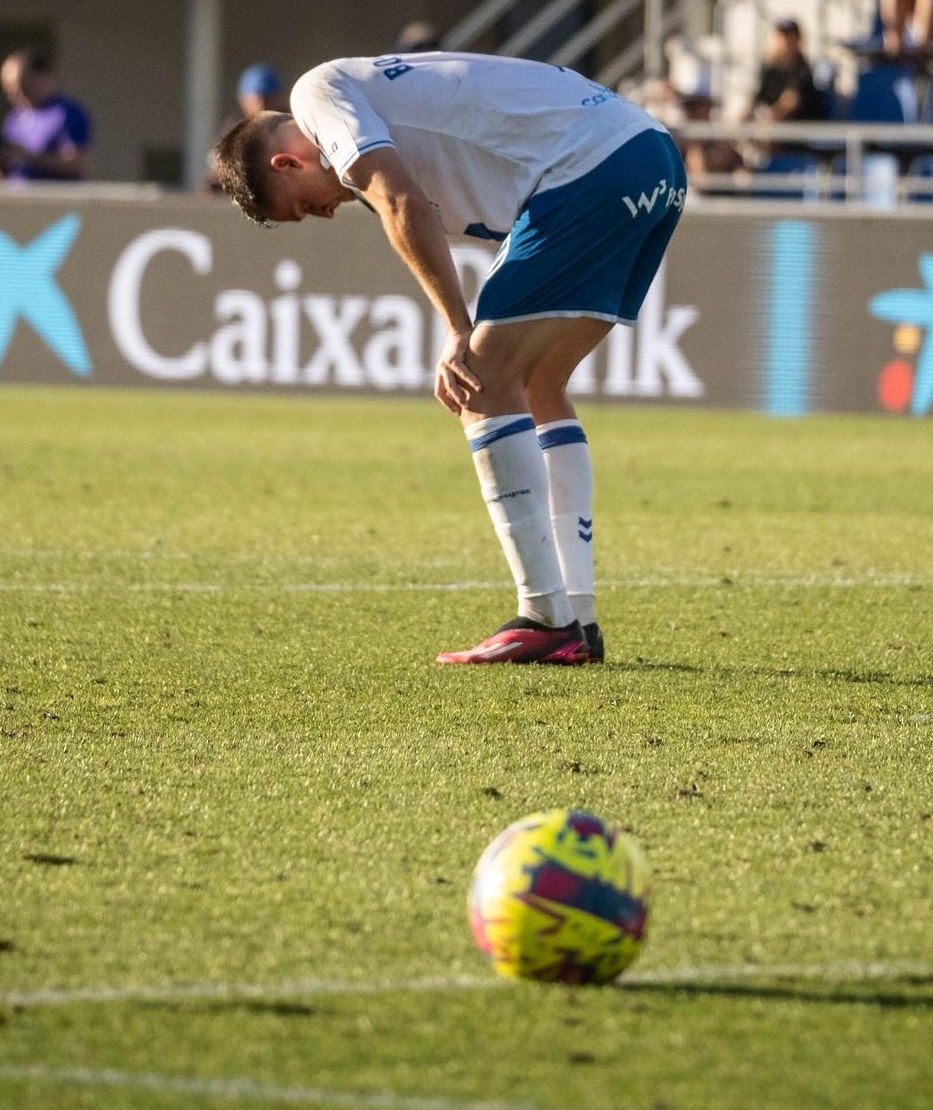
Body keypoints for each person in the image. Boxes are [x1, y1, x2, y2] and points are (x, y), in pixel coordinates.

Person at [209, 53, 685, 667]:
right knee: (538, 384)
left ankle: (545, 616)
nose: (325, 213)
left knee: (481, 383)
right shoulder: (376, 102)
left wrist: (458, 329)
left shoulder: (315, 93)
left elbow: (401, 201)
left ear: (288, 161)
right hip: (654, 158)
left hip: (589, 168)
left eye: (304, 205)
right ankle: (579, 620)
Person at [0, 50, 91, 183]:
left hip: (53, 200)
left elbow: (77, 164)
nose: (17, 94)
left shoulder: (66, 113)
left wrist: (29, 157)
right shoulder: (14, 118)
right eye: (10, 89)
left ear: (44, 77)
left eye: (23, 86)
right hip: (19, 200)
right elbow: (5, 173)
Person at [751, 18, 827, 125]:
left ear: (798, 41)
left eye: (789, 38)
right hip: (771, 129)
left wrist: (767, 122)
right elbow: (755, 99)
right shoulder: (769, 70)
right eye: (781, 37)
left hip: (797, 132)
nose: (785, 42)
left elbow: (790, 101)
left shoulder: (803, 70)